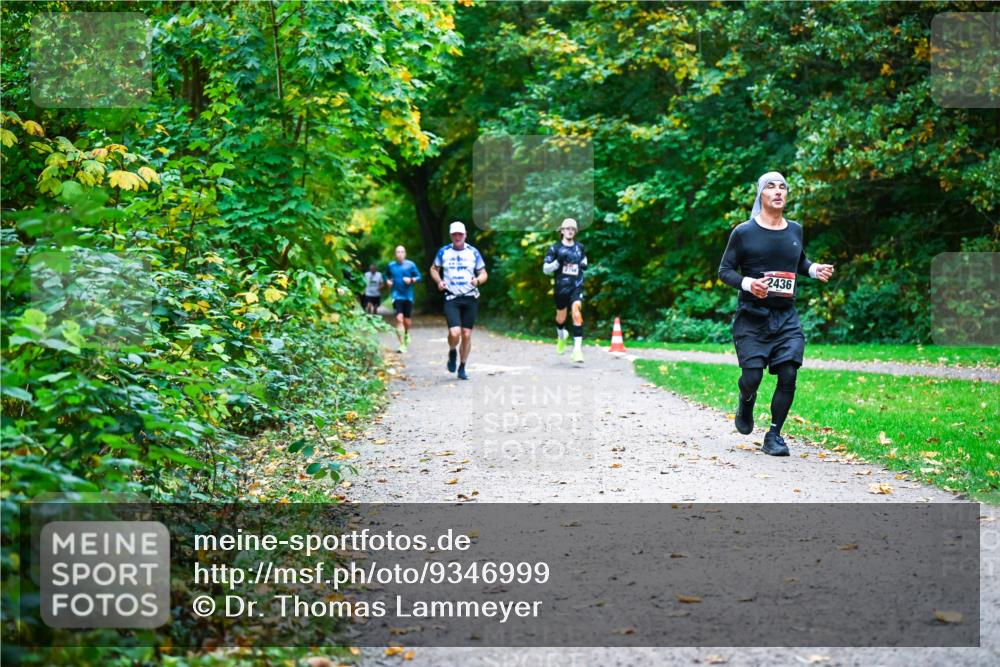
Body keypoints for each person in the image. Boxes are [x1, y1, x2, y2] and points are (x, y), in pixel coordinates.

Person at [718, 171, 835, 456]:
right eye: (771, 187)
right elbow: (725, 271)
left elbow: (799, 260)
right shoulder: (744, 232)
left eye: (783, 187)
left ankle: (774, 435)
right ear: (761, 195)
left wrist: (813, 269)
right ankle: (746, 401)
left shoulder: (795, 229)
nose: (778, 191)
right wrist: (749, 284)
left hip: (786, 317)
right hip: (752, 315)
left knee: (788, 372)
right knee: (752, 377)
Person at [429, 221, 488, 380]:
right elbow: (434, 268)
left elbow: (483, 273)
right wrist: (439, 281)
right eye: (454, 234)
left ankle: (462, 366)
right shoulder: (444, 252)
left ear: (465, 235)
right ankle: (452, 350)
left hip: (470, 297)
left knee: (466, 334)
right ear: (451, 235)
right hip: (452, 298)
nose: (457, 237)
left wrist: (477, 281)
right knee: (454, 333)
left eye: (460, 234)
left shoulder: (473, 252)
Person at [542, 218, 588, 363]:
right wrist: (557, 262)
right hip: (561, 289)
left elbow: (584, 260)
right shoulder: (554, 248)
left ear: (575, 232)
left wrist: (583, 264)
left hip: (576, 286)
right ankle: (562, 336)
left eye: (573, 229)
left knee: (576, 313)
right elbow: (545, 269)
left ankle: (577, 350)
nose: (570, 231)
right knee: (560, 319)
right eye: (567, 228)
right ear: (562, 231)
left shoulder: (579, 247)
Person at [386, 245, 422, 353]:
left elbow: (419, 277)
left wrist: (411, 280)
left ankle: (406, 334)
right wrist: (388, 281)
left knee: (407, 321)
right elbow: (386, 276)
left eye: (402, 252)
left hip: (408, 296)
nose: (400, 254)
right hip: (396, 296)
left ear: (405, 254)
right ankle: (402, 344)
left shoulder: (411, 265)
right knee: (399, 318)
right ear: (395, 254)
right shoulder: (391, 266)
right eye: (398, 252)